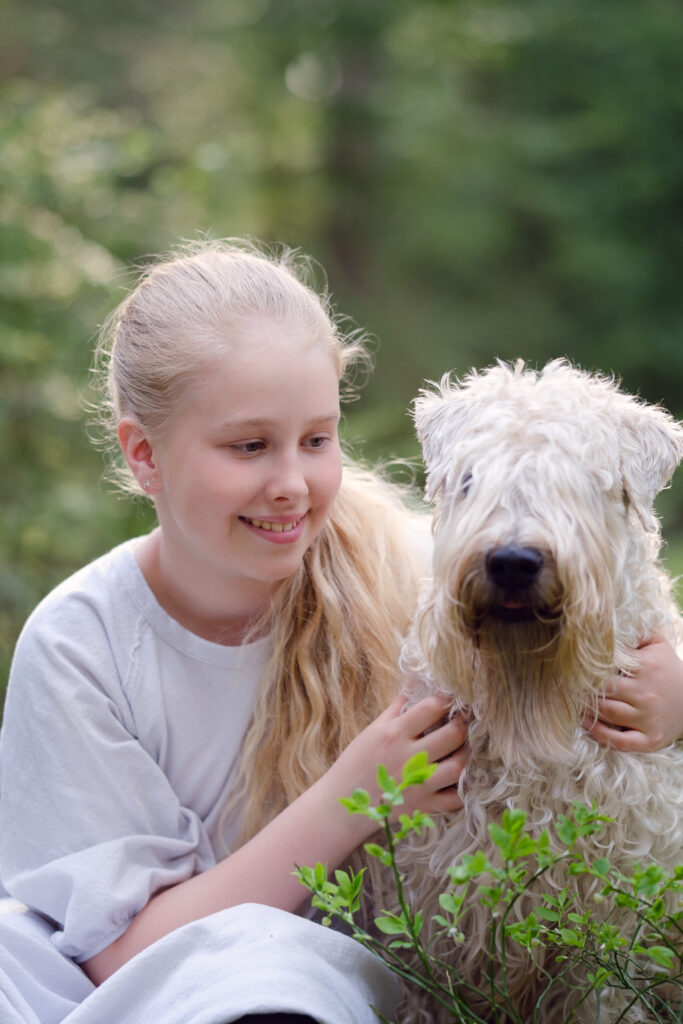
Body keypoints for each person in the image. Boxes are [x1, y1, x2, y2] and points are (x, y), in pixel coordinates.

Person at [0, 239, 681, 1024]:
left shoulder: (424, 576)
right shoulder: (79, 646)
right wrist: (358, 795)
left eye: (317, 440)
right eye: (249, 446)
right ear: (144, 456)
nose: (291, 484)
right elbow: (123, 963)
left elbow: (595, 611)